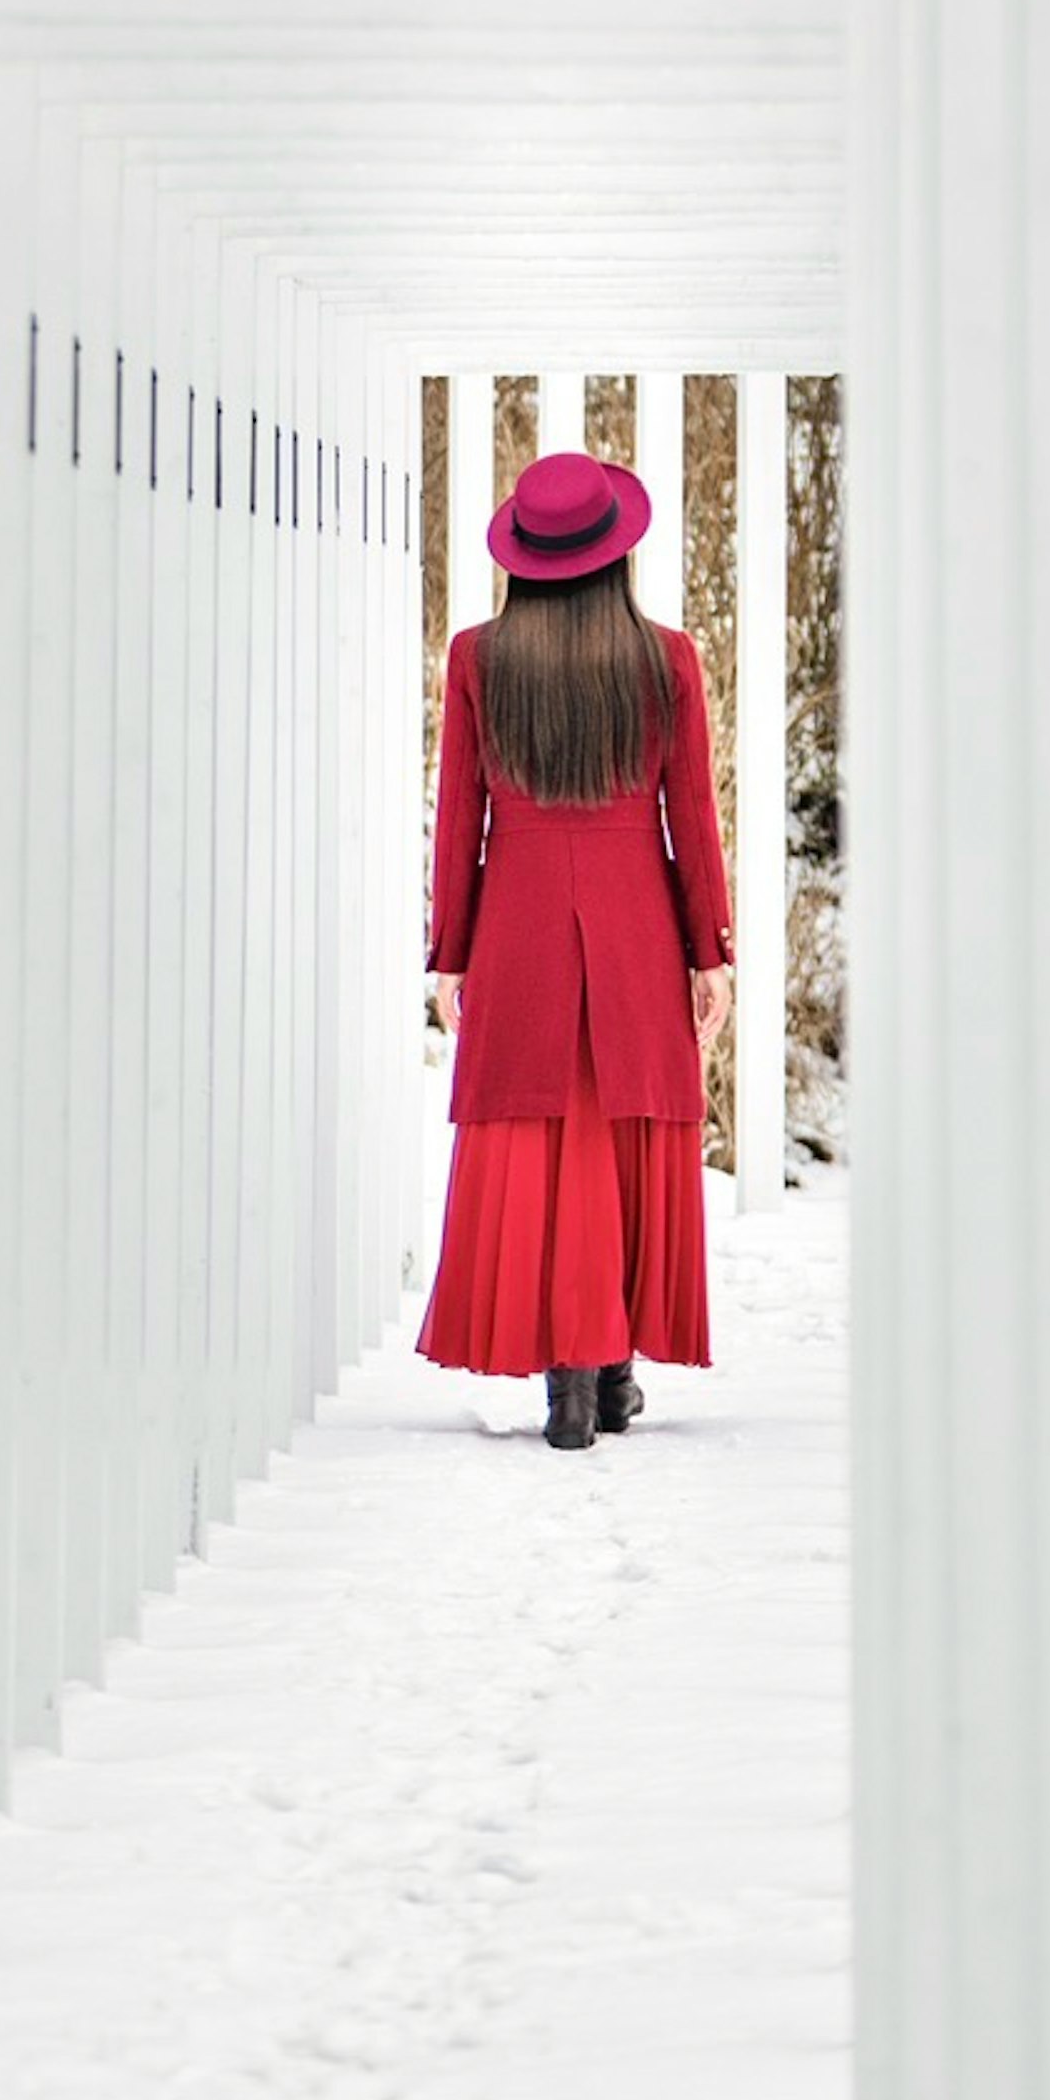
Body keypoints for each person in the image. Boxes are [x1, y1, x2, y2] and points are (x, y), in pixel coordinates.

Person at [418, 442, 734, 1450]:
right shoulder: (665, 659)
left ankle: (567, 1385)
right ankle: (610, 1369)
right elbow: (694, 818)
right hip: (639, 916)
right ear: (615, 555)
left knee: (537, 1134)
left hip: (515, 921)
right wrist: (711, 951)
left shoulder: (477, 658)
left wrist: (450, 955)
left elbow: (457, 819)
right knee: (621, 1126)